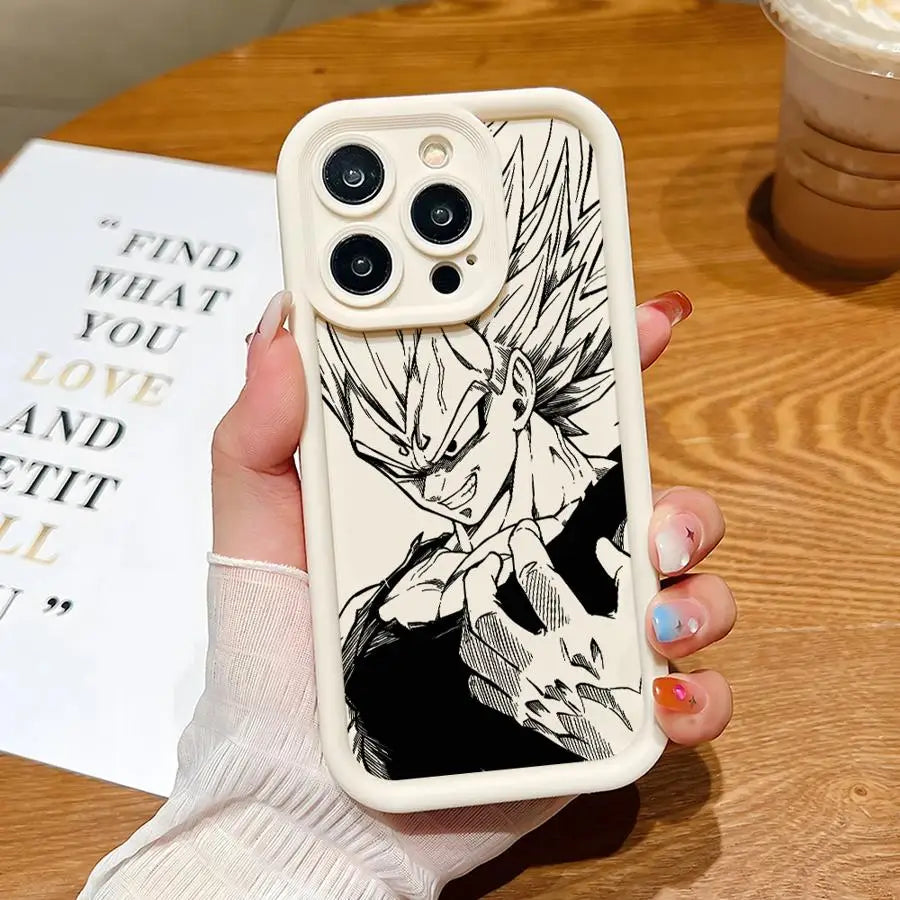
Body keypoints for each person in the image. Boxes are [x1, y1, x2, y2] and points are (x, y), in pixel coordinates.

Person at [79, 288, 735, 899]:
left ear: (513, 389)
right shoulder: (388, 592)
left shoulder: (610, 526)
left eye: (453, 450)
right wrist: (301, 821)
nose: (439, 490)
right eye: (401, 471)